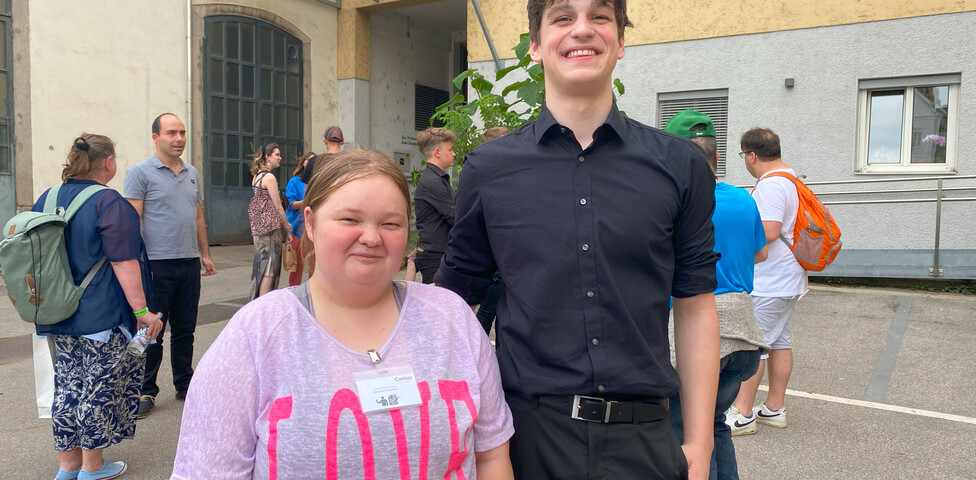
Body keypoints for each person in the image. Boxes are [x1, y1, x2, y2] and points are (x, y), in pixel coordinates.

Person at [434, 1, 721, 478]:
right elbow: (453, 304)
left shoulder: (679, 165)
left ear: (621, 41)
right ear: (536, 46)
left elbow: (694, 306)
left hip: (645, 439)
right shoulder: (489, 170)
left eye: (600, 16)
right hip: (528, 440)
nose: (581, 30)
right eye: (563, 18)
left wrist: (700, 443)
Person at [172, 149, 515, 479]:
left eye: (391, 224)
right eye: (350, 219)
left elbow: (491, 456)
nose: (371, 237)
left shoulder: (451, 318)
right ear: (310, 223)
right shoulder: (255, 335)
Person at [36, 134, 163, 480]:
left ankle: (68, 466)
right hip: (100, 316)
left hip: (56, 311)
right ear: (108, 163)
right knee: (97, 387)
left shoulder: (46, 199)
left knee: (67, 386)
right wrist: (142, 312)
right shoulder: (109, 202)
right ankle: (92, 467)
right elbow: (124, 262)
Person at [664, 110, 770, 479]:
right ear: (717, 156)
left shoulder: (675, 204)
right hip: (744, 330)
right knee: (715, 425)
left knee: (684, 430)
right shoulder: (743, 200)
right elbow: (761, 252)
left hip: (697, 332)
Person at [123, 113, 217, 419]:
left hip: (188, 263)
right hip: (156, 266)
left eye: (182, 133)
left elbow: (198, 215)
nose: (179, 138)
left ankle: (184, 383)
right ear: (156, 137)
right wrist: (139, 264)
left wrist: (205, 254)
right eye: (171, 133)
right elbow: (131, 222)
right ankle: (145, 389)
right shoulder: (140, 173)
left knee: (185, 330)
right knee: (152, 331)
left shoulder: (192, 173)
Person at [727, 128, 809, 435]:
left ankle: (742, 413)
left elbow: (770, 231)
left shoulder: (773, 184)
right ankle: (773, 409)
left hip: (772, 280)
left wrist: (736, 241)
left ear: (751, 155)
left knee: (756, 346)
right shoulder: (789, 178)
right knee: (779, 342)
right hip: (786, 278)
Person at [474, 126, 510, 336]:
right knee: (488, 311)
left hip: (504, 260)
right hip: (494, 260)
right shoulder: (486, 177)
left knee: (499, 311)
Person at [247, 143, 294, 299]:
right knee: (269, 267)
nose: (280, 158)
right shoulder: (269, 177)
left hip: (259, 227)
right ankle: (264, 303)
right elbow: (279, 207)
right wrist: (287, 228)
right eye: (277, 155)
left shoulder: (257, 175)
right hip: (270, 228)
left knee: (261, 263)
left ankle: (257, 301)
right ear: (267, 157)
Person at [413, 127, 457, 284]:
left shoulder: (435, 179)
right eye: (450, 150)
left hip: (437, 252)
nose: (454, 154)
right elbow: (454, 218)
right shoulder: (433, 182)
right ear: (437, 152)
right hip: (435, 255)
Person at [285, 152, 315, 286]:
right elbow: (291, 204)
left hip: (313, 228)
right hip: (297, 227)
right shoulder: (295, 181)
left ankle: (313, 291)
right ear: (303, 162)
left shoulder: (317, 181)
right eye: (308, 160)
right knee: (296, 265)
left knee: (314, 264)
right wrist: (306, 202)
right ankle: (293, 291)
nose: (310, 163)